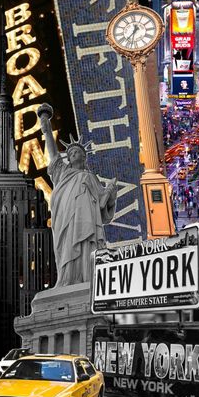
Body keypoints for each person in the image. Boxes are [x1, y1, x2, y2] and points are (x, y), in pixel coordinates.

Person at [37, 103, 117, 287]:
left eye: (76, 152)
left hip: (87, 217)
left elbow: (103, 203)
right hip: (66, 217)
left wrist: (111, 192)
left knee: (89, 243)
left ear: (83, 156)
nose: (72, 154)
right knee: (68, 247)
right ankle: (67, 280)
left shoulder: (90, 177)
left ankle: (89, 278)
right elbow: (53, 153)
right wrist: (47, 129)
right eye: (70, 153)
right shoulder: (63, 173)